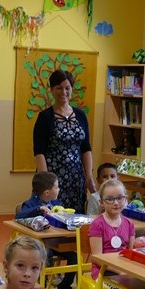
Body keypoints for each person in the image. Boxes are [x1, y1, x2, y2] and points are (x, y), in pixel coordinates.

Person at [33, 70, 96, 213]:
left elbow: (86, 148)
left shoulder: (80, 115)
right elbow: (39, 151)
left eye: (67, 88)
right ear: (52, 90)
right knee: (53, 214)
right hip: (54, 178)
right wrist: (46, 181)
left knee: (76, 216)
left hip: (76, 178)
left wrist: (88, 177)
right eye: (59, 88)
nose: (64, 92)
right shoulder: (45, 117)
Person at [15, 171, 74, 289]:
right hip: (39, 245)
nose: (59, 189)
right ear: (47, 192)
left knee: (74, 257)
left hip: (56, 241)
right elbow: (19, 216)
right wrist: (38, 209)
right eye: (57, 187)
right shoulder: (30, 204)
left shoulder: (55, 202)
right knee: (45, 255)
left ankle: (65, 285)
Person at [89, 179, 136, 289]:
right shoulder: (97, 224)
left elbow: (130, 253)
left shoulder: (129, 224)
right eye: (110, 199)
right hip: (103, 271)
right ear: (101, 202)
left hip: (123, 269)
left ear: (126, 199)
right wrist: (119, 271)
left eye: (120, 198)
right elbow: (97, 257)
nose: (116, 203)